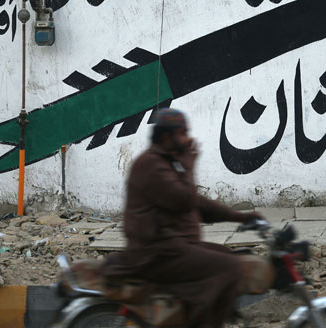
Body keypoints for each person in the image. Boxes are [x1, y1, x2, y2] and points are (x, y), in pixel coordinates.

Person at [104, 108, 264, 328]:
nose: (188, 139)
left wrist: (242, 218)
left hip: (174, 247)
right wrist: (189, 167)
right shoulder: (151, 165)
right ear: (167, 136)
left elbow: (199, 204)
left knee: (230, 256)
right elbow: (184, 199)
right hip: (156, 253)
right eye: (183, 133)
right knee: (228, 267)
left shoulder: (168, 162)